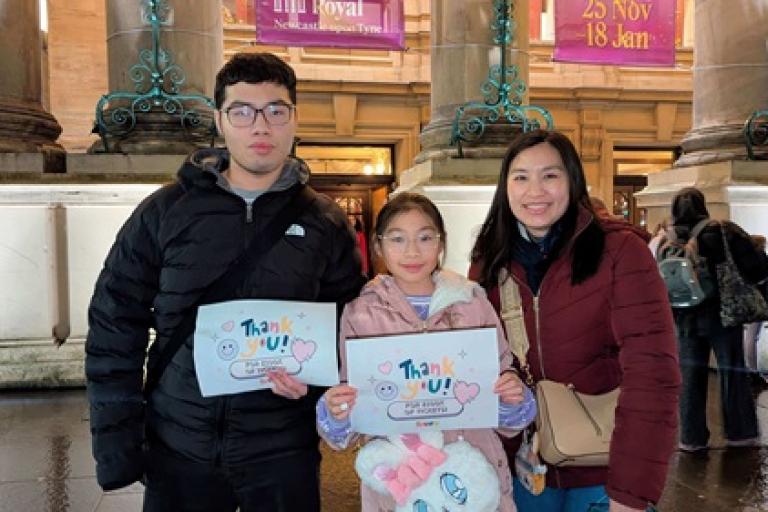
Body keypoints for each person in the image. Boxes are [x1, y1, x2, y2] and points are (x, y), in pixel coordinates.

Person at [85, 52, 365, 512]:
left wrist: (315, 384)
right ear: (220, 119)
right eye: (242, 111)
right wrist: (117, 446)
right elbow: (114, 326)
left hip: (282, 451)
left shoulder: (325, 223)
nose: (261, 126)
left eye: (276, 110)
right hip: (179, 446)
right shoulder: (164, 212)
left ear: (294, 118)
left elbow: (350, 327)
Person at [468, 129, 681, 512]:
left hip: (604, 468)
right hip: (523, 470)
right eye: (521, 177)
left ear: (572, 181)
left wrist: (631, 493)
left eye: (550, 175)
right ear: (505, 188)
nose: (535, 191)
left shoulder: (620, 252)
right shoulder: (490, 260)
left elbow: (653, 374)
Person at [317, 192, 537, 511]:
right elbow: (354, 412)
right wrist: (338, 411)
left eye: (425, 237)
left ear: (441, 242)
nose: (412, 251)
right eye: (397, 239)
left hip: (474, 477)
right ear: (378, 246)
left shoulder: (472, 304)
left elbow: (503, 405)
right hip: (401, 484)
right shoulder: (361, 314)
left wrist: (510, 395)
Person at [664, 187, 767, 452]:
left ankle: (691, 437)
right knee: (732, 371)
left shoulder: (669, 238)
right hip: (722, 314)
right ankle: (740, 432)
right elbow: (756, 266)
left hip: (684, 316)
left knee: (689, 377)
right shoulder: (723, 231)